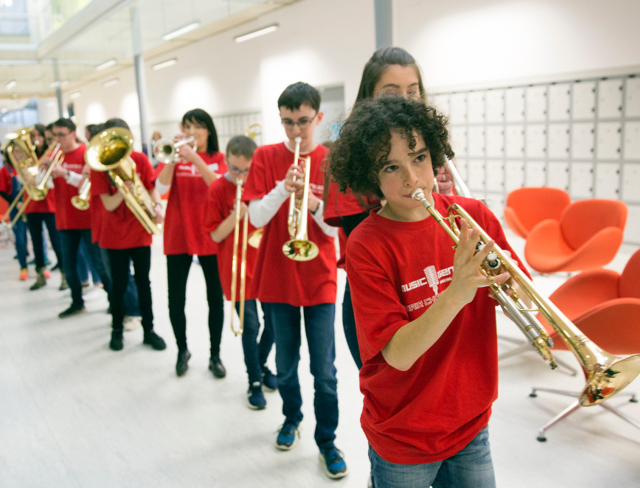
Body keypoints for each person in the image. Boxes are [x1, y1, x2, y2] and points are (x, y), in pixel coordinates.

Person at [329, 96, 530, 488]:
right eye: (392, 167)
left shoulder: (473, 217)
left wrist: (511, 284)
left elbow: (522, 297)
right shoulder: (367, 244)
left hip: (471, 422)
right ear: (371, 178)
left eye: (419, 157)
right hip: (403, 434)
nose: (413, 179)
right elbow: (399, 355)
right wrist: (456, 291)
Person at [324, 47, 454, 370]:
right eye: (391, 93)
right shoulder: (355, 159)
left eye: (413, 92)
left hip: (433, 288)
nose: (405, 102)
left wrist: (442, 190)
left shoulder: (425, 144)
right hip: (379, 296)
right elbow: (366, 240)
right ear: (369, 97)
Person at [242, 82, 346, 480]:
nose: (296, 132)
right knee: (286, 368)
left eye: (304, 122)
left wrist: (313, 199)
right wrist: (282, 189)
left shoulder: (331, 161)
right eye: (288, 122)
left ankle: (327, 439)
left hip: (319, 277)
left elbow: (333, 230)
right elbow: (255, 219)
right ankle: (291, 418)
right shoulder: (267, 156)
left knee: (325, 372)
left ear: (318, 118)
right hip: (276, 278)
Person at [204, 135, 277, 409]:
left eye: (246, 170)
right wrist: (235, 216)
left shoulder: (264, 185)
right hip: (235, 269)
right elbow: (214, 234)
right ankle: (254, 381)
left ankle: (259, 366)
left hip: (266, 266)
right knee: (250, 327)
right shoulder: (217, 190)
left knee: (273, 325)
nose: (240, 176)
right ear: (226, 161)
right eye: (234, 169)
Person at [156, 109, 228, 378]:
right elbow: (159, 190)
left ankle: (215, 354)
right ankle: (182, 350)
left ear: (208, 130)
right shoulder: (174, 158)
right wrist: (174, 160)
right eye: (187, 127)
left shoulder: (219, 159)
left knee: (215, 300)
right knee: (175, 299)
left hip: (211, 235)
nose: (192, 132)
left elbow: (219, 188)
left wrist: (194, 157)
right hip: (178, 234)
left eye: (197, 127)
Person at [91, 117, 165, 351]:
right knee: (119, 285)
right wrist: (125, 191)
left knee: (144, 282)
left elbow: (152, 188)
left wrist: (157, 207)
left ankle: (149, 330)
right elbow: (109, 204)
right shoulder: (100, 166)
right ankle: (117, 331)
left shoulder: (140, 160)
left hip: (139, 231)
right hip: (114, 235)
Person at [49, 118, 112, 317]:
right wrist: (45, 172)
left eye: (61, 135)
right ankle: (77, 302)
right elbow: (47, 188)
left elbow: (94, 185)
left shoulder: (86, 153)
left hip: (87, 218)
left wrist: (66, 173)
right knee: (68, 266)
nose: (58, 139)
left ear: (72, 133)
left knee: (99, 264)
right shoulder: (54, 156)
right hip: (64, 218)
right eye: (55, 135)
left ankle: (114, 302)